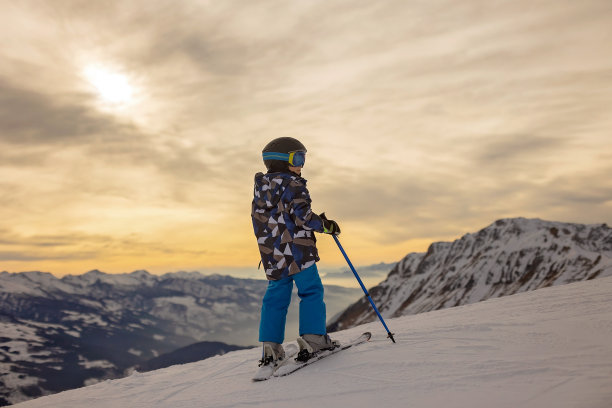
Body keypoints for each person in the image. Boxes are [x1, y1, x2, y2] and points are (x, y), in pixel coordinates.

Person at [251, 137, 341, 367]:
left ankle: (270, 348)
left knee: (275, 298)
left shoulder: (260, 188)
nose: (301, 164)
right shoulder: (294, 184)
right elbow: (302, 217)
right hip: (298, 251)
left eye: (303, 158)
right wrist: (325, 225)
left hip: (272, 253)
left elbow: (269, 219)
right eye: (297, 158)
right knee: (310, 291)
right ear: (282, 161)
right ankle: (314, 340)